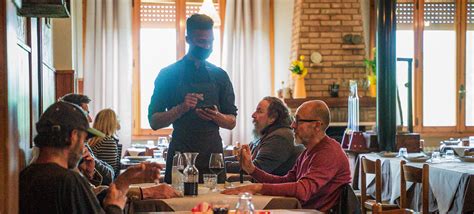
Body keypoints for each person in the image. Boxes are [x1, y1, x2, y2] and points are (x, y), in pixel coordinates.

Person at [19, 101, 172, 213]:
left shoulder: (25, 176)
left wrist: (123, 182)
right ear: (73, 137)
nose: (84, 148)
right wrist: (114, 207)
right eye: (84, 140)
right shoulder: (69, 181)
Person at [148, 14, 237, 183]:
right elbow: (154, 121)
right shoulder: (168, 75)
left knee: (215, 205)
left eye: (211, 41)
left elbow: (232, 122)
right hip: (181, 153)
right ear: (188, 39)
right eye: (202, 42)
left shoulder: (220, 75)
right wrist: (181, 108)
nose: (207, 46)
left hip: (213, 156)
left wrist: (217, 116)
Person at [222, 100, 351, 212]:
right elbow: (286, 180)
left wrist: (257, 187)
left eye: (298, 121)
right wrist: (252, 170)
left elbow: (302, 190)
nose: (292, 125)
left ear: (317, 125)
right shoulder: (308, 151)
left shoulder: (328, 152)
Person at [226, 97, 304, 176]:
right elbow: (243, 159)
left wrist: (221, 165)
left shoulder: (279, 138)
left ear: (272, 118)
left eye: (259, 111)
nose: (253, 115)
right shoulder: (266, 134)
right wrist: (218, 161)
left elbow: (256, 168)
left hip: (275, 186)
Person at [61, 93, 115, 185]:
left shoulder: (81, 143)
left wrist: (91, 173)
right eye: (86, 113)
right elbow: (109, 177)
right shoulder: (68, 148)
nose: (90, 119)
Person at [89, 108, 121, 177]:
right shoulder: (107, 142)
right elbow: (112, 173)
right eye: (117, 120)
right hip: (103, 184)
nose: (118, 123)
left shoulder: (92, 140)